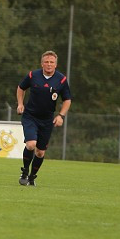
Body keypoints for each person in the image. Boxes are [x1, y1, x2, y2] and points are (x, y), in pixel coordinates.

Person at [16, 51, 72, 186]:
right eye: (46, 62)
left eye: (51, 62)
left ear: (56, 65)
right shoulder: (32, 75)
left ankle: (32, 177)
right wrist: (20, 104)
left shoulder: (61, 80)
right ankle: (24, 172)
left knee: (40, 152)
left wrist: (61, 115)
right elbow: (20, 88)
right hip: (30, 116)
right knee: (31, 144)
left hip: (47, 120)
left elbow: (67, 100)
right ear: (42, 63)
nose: (49, 64)